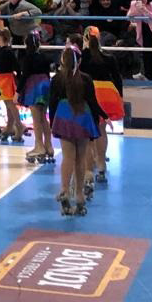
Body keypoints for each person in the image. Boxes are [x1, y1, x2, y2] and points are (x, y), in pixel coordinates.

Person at [49, 47, 106, 217]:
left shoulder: (57, 79)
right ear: (79, 61)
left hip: (64, 117)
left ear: (62, 61)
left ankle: (65, 189)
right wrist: (101, 118)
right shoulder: (86, 79)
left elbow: (52, 103)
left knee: (67, 157)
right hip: (82, 118)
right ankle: (79, 195)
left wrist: (53, 123)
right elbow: (93, 103)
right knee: (81, 158)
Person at [80, 27, 124, 188]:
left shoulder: (82, 57)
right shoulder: (109, 57)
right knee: (101, 130)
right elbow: (117, 79)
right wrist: (119, 96)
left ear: (85, 38)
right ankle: (101, 164)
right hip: (108, 93)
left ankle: (88, 167)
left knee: (88, 133)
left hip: (91, 93)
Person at [20, 31, 56, 165]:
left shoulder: (27, 58)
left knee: (36, 119)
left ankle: (39, 146)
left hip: (34, 86)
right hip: (45, 85)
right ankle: (49, 146)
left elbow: (24, 76)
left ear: (26, 44)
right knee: (43, 118)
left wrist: (17, 92)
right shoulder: (45, 57)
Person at [0, 24, 24, 144]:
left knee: (9, 103)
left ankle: (18, 125)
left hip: (6, 79)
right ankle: (8, 126)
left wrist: (18, 80)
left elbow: (17, 67)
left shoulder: (8, 51)